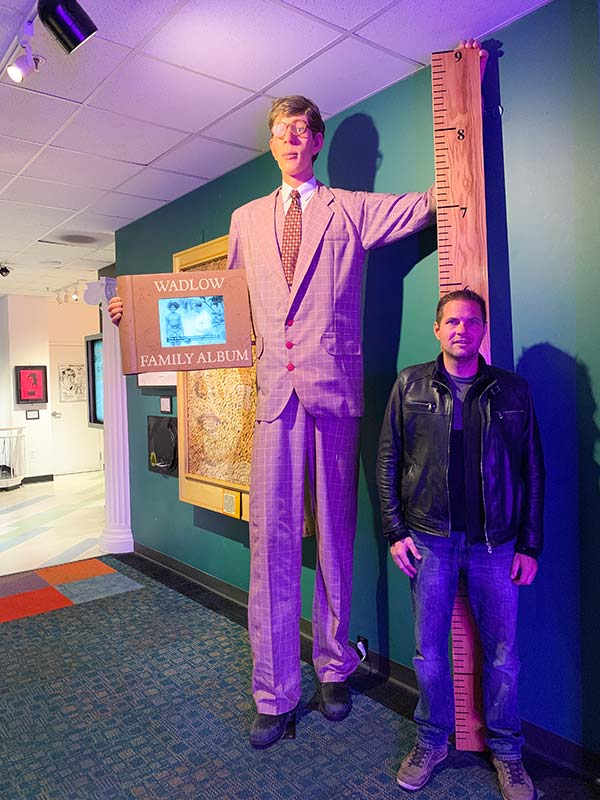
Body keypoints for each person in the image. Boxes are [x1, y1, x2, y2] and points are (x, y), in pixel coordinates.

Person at [108, 40, 486, 750]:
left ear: (317, 142)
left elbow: (428, 205)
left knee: (337, 540)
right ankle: (275, 691)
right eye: (280, 128)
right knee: (271, 546)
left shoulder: (351, 208)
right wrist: (140, 316)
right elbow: (221, 306)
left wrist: (464, 121)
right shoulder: (247, 218)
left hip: (334, 395)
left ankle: (335, 665)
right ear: (272, 143)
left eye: (301, 128)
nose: (290, 136)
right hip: (273, 398)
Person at [376, 289, 544, 800]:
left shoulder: (512, 391)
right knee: (428, 652)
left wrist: (529, 545)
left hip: (497, 545)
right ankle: (431, 741)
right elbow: (388, 460)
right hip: (430, 541)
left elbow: (533, 470)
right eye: (451, 322)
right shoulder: (410, 385)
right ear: (437, 329)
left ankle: (508, 752)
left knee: (503, 656)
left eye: (471, 322)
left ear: (483, 329)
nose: (461, 330)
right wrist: (395, 532)